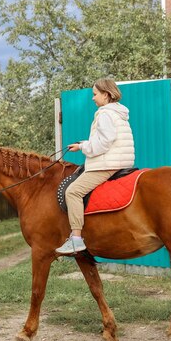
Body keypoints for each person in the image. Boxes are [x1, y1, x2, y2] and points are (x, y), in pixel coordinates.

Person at [55, 78, 135, 255]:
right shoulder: (118, 112)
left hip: (108, 164)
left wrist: (83, 147)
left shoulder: (104, 113)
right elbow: (105, 140)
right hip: (119, 161)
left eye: (95, 94)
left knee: (73, 192)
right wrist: (83, 144)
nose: (93, 98)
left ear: (106, 95)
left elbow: (104, 143)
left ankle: (76, 239)